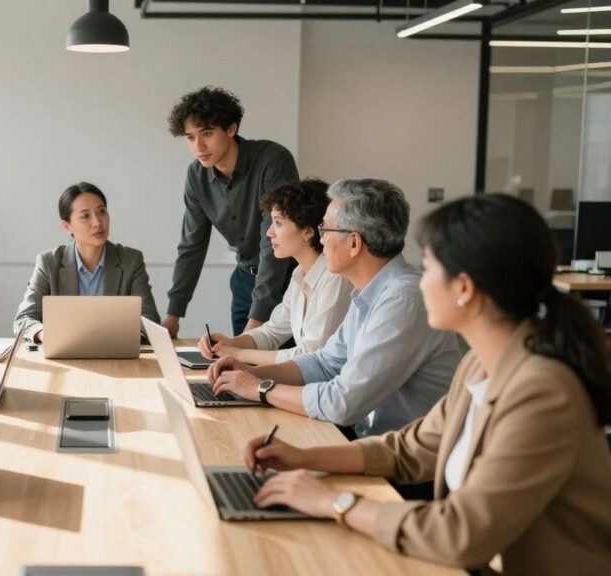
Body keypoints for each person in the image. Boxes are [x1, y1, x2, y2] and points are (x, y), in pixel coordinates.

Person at [243, 194, 611, 576]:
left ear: (464, 288)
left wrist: (335, 503)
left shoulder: (543, 392)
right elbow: (409, 449)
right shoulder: (479, 366)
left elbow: (461, 534)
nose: (421, 280)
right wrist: (303, 458)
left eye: (430, 266)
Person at [209, 179, 461, 437]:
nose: (321, 240)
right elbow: (324, 362)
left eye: (326, 230)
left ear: (353, 243)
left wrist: (260, 388)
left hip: (404, 464)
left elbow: (342, 403)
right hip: (372, 443)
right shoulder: (370, 291)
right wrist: (251, 373)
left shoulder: (401, 301)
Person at [162, 86, 299, 338]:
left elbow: (272, 244)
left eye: (207, 133)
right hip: (244, 281)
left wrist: (256, 322)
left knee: (282, 369)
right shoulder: (196, 176)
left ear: (231, 129)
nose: (198, 146)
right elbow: (192, 245)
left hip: (288, 280)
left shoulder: (273, 160)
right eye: (190, 137)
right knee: (242, 369)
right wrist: (173, 316)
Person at [198, 178, 351, 364]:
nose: (269, 232)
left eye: (278, 223)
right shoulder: (299, 274)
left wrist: (238, 354)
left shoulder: (335, 277)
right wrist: (229, 343)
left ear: (308, 231)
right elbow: (271, 332)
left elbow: (310, 355)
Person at [13, 182, 160, 343]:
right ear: (67, 226)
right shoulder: (49, 263)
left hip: (116, 355)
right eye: (85, 216)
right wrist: (45, 334)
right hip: (64, 357)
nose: (97, 222)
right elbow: (24, 319)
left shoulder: (130, 260)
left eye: (102, 211)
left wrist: (120, 338)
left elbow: (150, 319)